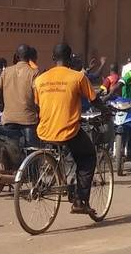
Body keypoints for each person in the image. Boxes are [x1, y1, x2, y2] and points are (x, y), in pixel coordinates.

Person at [33, 42, 99, 214]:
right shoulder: (77, 77)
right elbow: (94, 99)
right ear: (70, 58)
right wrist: (106, 112)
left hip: (44, 131)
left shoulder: (40, 80)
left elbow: (37, 106)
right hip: (69, 131)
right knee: (88, 156)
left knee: (64, 152)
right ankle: (80, 201)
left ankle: (63, 183)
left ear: (53, 58)